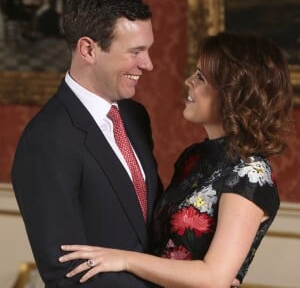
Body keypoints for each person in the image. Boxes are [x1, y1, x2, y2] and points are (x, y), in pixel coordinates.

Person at [58, 32, 293, 288]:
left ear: (233, 94)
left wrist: (124, 260)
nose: (188, 81)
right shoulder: (195, 156)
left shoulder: (251, 174)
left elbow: (214, 278)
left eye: (201, 77)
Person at [11, 0, 162, 287]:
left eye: (148, 50)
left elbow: (151, 228)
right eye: (135, 52)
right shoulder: (47, 139)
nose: (148, 64)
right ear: (88, 50)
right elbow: (68, 273)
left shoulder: (135, 117)